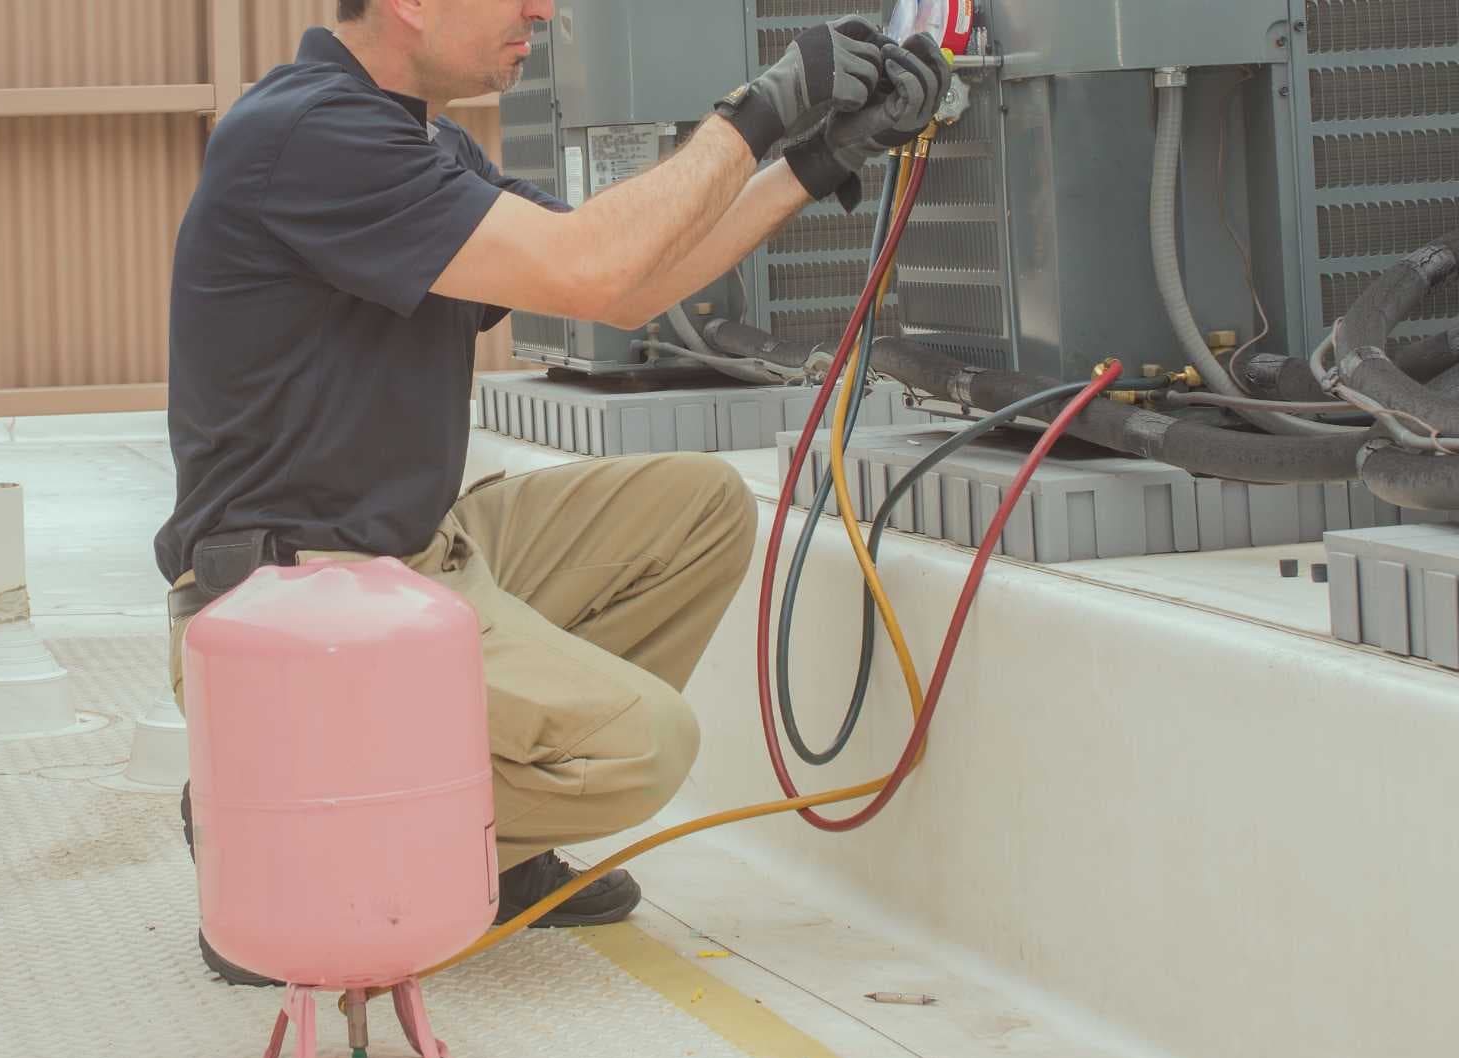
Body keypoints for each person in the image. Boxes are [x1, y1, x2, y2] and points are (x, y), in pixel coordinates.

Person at [157, 0, 950, 986]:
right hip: (299, 607)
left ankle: (497, 843)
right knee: (644, 749)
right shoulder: (310, 135)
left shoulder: (416, 143)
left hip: (413, 555)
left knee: (698, 510)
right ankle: (277, 832)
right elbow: (591, 268)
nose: (542, 9)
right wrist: (759, 107)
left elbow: (627, 287)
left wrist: (816, 159)